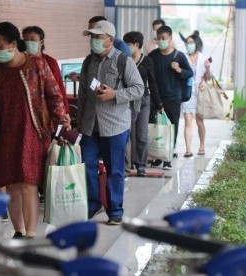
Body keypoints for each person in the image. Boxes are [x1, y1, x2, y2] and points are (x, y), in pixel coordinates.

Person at [0, 22, 69, 239]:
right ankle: (19, 230)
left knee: (28, 184)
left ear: (14, 44)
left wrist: (63, 122)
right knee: (12, 185)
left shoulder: (37, 65)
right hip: (4, 135)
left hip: (32, 132)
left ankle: (31, 233)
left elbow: (54, 96)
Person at [78, 21, 144, 225]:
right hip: (90, 125)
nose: (94, 41)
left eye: (98, 37)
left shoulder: (124, 61)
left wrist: (115, 94)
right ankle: (94, 203)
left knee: (114, 169)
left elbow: (139, 88)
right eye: (92, 37)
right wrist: (79, 123)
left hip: (115, 125)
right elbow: (83, 94)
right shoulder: (89, 61)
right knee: (86, 165)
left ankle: (115, 211)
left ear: (110, 40)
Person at [148, 26, 193, 170]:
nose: (161, 41)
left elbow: (189, 73)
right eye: (158, 39)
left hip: (173, 98)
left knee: (172, 127)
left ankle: (168, 157)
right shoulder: (153, 55)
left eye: (164, 39)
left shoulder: (179, 56)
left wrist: (179, 69)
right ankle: (157, 157)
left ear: (170, 39)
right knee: (155, 127)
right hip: (155, 97)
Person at [123, 31, 163, 176]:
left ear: (136, 45)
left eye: (128, 44)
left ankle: (140, 164)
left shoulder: (147, 61)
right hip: (127, 100)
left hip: (144, 100)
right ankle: (126, 164)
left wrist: (158, 103)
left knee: (141, 134)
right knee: (126, 134)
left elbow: (152, 82)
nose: (126, 47)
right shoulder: (124, 60)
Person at [22, 26, 70, 115]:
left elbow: (59, 87)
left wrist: (65, 111)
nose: (29, 43)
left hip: (48, 110)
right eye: (26, 40)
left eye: (32, 40)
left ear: (41, 42)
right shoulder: (21, 63)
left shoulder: (50, 62)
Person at [181, 33, 212, 157]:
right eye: (187, 43)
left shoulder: (203, 58)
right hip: (187, 92)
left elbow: (208, 77)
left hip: (200, 92)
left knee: (200, 121)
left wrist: (208, 68)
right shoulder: (183, 57)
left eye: (191, 42)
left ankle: (202, 146)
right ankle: (188, 149)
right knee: (188, 121)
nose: (189, 45)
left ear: (197, 43)